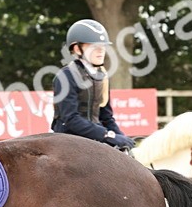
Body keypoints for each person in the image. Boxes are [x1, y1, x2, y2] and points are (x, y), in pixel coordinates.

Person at [50, 20, 135, 151]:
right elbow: (71, 119)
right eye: (94, 47)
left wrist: (122, 138)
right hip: (68, 141)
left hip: (95, 138)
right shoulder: (65, 76)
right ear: (77, 49)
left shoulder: (101, 75)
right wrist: (107, 135)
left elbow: (106, 117)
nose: (101, 51)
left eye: (103, 46)